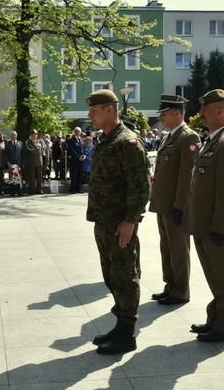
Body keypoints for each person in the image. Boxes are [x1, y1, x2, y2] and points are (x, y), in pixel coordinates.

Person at [85, 89, 150, 354]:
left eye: (94, 111)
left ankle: (126, 334)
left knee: (125, 276)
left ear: (110, 109)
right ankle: (120, 326)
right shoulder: (106, 140)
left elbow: (141, 187)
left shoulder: (128, 142)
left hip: (120, 223)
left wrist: (131, 221)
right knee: (112, 276)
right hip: (104, 221)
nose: (90, 115)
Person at [185, 89, 224, 342]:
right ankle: (216, 319)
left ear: (220, 111)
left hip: (218, 226)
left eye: (206, 110)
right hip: (204, 223)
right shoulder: (213, 140)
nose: (201, 114)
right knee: (214, 275)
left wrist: (221, 226)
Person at [148, 94, 199, 306]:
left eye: (165, 114)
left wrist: (180, 206)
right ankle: (170, 285)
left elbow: (187, 176)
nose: (161, 118)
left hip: (175, 206)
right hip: (163, 204)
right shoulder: (169, 136)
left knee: (178, 249)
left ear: (178, 113)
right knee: (167, 247)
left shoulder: (188, 137)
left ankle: (181, 290)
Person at [22, 130, 43, 194]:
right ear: (31, 135)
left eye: (36, 134)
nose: (34, 135)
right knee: (32, 177)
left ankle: (39, 190)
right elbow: (25, 153)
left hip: (39, 161)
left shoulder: (40, 141)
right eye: (33, 134)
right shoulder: (27, 143)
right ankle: (32, 190)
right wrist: (25, 162)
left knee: (39, 177)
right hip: (31, 161)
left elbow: (42, 151)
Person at [4, 131, 23, 196]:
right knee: (12, 178)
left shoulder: (20, 143)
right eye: (12, 135)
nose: (13, 136)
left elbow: (22, 154)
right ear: (10, 136)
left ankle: (19, 191)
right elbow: (6, 155)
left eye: (14, 135)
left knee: (18, 178)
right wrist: (8, 163)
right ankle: (12, 192)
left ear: (16, 136)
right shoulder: (7, 144)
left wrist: (22, 163)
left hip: (19, 164)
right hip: (11, 164)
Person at [67, 127, 86, 193]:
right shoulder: (71, 140)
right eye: (76, 131)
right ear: (74, 132)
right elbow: (72, 150)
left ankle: (78, 189)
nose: (77, 132)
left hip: (81, 160)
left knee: (80, 175)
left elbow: (83, 148)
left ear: (80, 132)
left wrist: (84, 155)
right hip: (74, 160)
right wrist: (78, 157)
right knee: (74, 175)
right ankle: (73, 189)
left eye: (78, 131)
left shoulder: (81, 139)